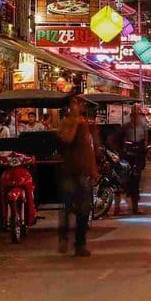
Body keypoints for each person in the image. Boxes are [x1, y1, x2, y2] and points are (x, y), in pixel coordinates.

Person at [57, 96, 97, 257]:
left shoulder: (85, 124)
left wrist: (93, 170)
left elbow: (90, 150)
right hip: (70, 171)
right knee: (67, 207)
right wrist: (74, 121)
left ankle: (79, 244)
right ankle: (64, 237)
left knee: (84, 209)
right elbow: (66, 139)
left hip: (83, 172)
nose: (79, 106)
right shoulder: (67, 123)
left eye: (79, 104)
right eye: (75, 103)